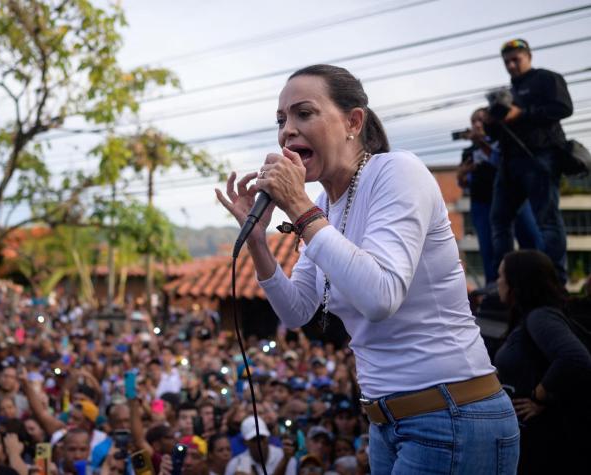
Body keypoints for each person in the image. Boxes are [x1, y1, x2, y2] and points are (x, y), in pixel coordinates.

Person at [215, 63, 519, 473]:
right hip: (384, 423)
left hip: (452, 415)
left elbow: (381, 297)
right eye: (281, 119)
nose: (287, 129)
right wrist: (257, 241)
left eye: (304, 113)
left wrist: (300, 208)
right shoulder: (322, 208)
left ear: (353, 121)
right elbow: (297, 310)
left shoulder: (397, 173)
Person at [493, 250, 591, 474]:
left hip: (547, 444)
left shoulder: (541, 316)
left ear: (516, 283)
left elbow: (575, 358)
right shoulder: (530, 317)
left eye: (501, 276)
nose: (497, 282)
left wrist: (539, 396)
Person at [486, 38, 573, 283]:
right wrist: (492, 122)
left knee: (546, 220)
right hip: (509, 161)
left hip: (540, 156)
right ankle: (501, 282)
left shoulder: (546, 79)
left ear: (529, 56)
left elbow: (563, 108)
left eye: (516, 59)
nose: (512, 65)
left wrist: (521, 114)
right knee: (499, 221)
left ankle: (554, 281)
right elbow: (497, 132)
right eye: (507, 62)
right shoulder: (506, 93)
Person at [456, 108, 540, 284]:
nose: (477, 124)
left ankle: (536, 280)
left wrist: (482, 144)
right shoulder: (469, 152)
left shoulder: (503, 140)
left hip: (512, 198)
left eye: (480, 119)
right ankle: (496, 287)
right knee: (490, 249)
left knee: (531, 239)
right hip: (482, 203)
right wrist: (462, 175)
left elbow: (501, 162)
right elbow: (465, 185)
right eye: (473, 121)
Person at [224, 417, 295, 475]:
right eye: (254, 440)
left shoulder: (284, 456)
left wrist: (285, 461)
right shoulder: (235, 464)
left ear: (268, 437)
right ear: (245, 442)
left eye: (262, 438)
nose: (259, 443)